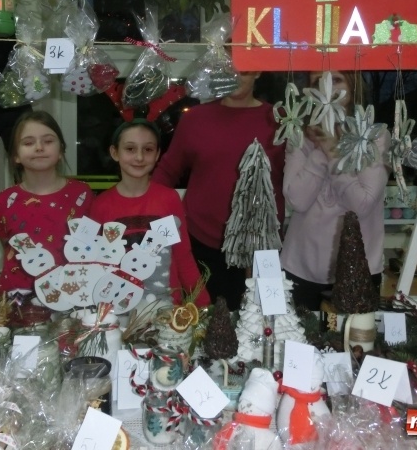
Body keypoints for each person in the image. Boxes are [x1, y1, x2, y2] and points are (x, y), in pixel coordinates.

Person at [153, 72, 285, 310]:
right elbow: (165, 173)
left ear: (258, 72)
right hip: (199, 245)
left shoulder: (279, 120)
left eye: (243, 70)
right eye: (227, 69)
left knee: (259, 327)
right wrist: (149, 220)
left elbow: (295, 178)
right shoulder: (195, 119)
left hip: (260, 249)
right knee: (201, 326)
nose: (235, 76)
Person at [281, 71, 389, 311]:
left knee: (355, 343)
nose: (327, 88)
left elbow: (361, 204)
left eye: (336, 79)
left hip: (359, 267)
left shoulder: (375, 136)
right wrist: (321, 151)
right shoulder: (299, 136)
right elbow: (297, 200)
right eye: (317, 82)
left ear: (353, 85)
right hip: (300, 267)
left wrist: (332, 151)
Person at [90, 119, 210, 308]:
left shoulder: (168, 199)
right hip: (117, 308)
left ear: (157, 154)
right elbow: (94, 264)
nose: (139, 157)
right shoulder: (101, 205)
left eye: (147, 150)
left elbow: (182, 255)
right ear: (115, 153)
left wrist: (203, 305)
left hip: (166, 306)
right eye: (130, 149)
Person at [0, 110, 93, 295]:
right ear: (15, 156)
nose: (39, 148)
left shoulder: (82, 194)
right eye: (28, 143)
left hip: (70, 295)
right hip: (16, 300)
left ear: (61, 150)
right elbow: (7, 246)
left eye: (48, 141)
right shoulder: (4, 201)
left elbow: (90, 245)